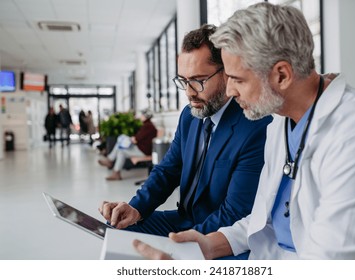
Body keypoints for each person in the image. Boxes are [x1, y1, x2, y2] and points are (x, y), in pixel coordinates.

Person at [133, 3, 355, 260]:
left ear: (281, 75)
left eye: (238, 79)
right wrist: (206, 246)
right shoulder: (280, 121)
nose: (230, 91)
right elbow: (260, 221)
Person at [99, 24, 272, 246]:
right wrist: (136, 208)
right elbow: (168, 170)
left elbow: (235, 213)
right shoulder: (190, 117)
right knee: (115, 230)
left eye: (198, 80)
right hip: (183, 220)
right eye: (184, 80)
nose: (189, 92)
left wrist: (181, 245)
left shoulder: (255, 127)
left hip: (218, 233)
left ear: (227, 74)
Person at [98, 108, 157, 180]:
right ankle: (114, 170)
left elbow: (136, 140)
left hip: (143, 151)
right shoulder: (148, 125)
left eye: (141, 115)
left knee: (121, 149)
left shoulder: (147, 126)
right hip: (141, 148)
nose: (140, 116)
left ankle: (111, 163)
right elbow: (138, 138)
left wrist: (130, 139)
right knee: (120, 146)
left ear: (145, 116)